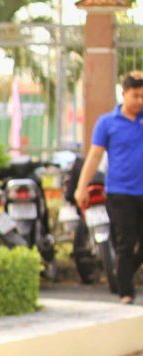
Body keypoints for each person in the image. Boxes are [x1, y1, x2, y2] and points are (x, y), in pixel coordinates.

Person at [74, 71, 143, 304]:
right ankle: (126, 292)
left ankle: (121, 272)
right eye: (135, 96)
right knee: (125, 242)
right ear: (123, 94)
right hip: (120, 193)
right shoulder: (107, 123)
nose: (140, 101)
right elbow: (94, 156)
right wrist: (81, 187)